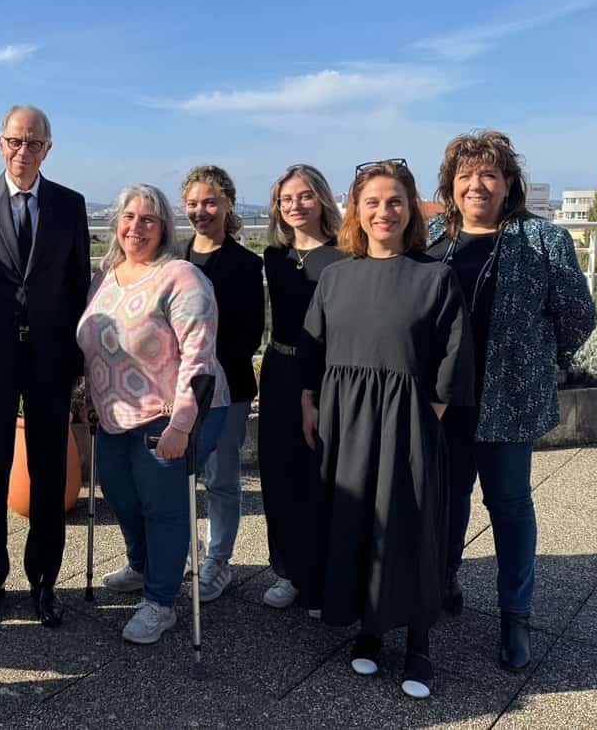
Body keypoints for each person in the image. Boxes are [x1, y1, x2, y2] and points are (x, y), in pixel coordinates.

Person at [299, 159, 473, 699]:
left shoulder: (435, 277)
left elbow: (454, 358)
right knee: (357, 522)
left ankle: (419, 641)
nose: (383, 212)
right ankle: (370, 630)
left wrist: (430, 413)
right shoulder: (335, 276)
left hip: (408, 420)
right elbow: (312, 347)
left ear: (411, 209)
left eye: (394, 201)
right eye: (371, 202)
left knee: (411, 523)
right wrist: (309, 401)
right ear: (356, 210)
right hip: (346, 420)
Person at [427, 130, 595, 671]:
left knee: (510, 507)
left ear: (508, 184)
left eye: (489, 175)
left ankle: (515, 615)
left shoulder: (543, 240)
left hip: (509, 398)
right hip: (442, 399)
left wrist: (535, 358)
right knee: (446, 498)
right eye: (465, 176)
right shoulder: (433, 235)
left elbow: (578, 316)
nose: (476, 185)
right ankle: (445, 580)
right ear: (450, 186)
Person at [0, 104, 91, 629]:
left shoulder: (70, 205)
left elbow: (79, 286)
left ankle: (44, 582)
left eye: (34, 143)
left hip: (52, 360)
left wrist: (78, 362)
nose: (23, 151)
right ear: (0, 143)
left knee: (50, 474)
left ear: (48, 148)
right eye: (15, 141)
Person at [79, 183, 231, 643]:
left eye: (148, 219)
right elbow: (95, 342)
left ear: (164, 227)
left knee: (162, 508)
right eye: (128, 217)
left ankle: (160, 601)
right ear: (116, 223)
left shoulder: (181, 276)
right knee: (122, 499)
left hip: (172, 414)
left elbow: (199, 359)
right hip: (113, 413)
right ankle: (143, 565)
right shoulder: (106, 273)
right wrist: (88, 394)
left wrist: (182, 424)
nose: (136, 227)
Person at [173, 166, 263, 602]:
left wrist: (198, 358)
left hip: (227, 387)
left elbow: (249, 335)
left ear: (228, 203)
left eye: (210, 202)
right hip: (172, 387)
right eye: (192, 203)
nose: (200, 212)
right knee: (170, 476)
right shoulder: (172, 256)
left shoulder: (248, 264)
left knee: (222, 478)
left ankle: (218, 561)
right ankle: (170, 556)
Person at [258, 164, 344, 612]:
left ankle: (320, 573)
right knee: (277, 473)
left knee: (318, 474)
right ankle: (287, 570)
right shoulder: (274, 256)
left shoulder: (344, 256)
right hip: (277, 368)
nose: (295, 205)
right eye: (286, 199)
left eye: (304, 196)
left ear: (322, 199)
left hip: (324, 376)